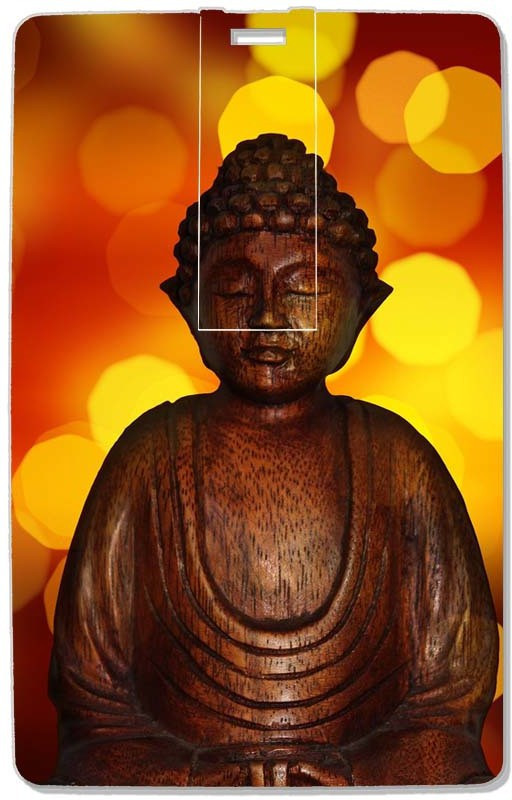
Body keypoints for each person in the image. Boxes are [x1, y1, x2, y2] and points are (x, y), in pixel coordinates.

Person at [49, 133, 498, 786]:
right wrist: (192, 775)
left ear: (362, 306)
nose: (267, 316)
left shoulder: (401, 464)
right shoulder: (147, 461)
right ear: (188, 305)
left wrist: (353, 771)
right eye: (234, 290)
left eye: (304, 289)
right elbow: (92, 706)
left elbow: (450, 703)